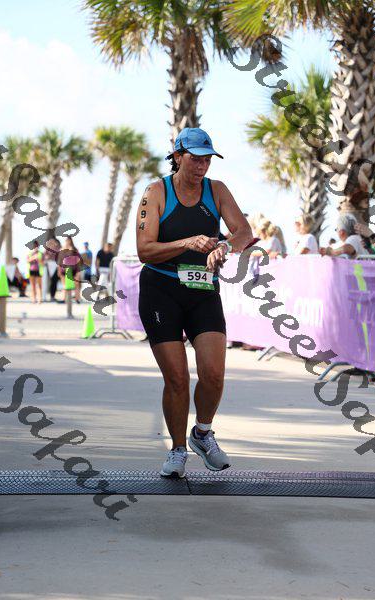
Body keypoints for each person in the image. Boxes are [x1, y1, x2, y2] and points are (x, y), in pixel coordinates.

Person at [136, 127, 253, 478]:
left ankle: (202, 433)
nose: (202, 166)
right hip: (161, 291)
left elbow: (244, 232)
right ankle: (176, 450)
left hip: (202, 291)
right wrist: (188, 243)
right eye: (195, 159)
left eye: (207, 160)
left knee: (214, 374)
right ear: (177, 157)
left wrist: (224, 246)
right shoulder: (155, 192)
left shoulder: (217, 190)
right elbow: (145, 249)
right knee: (176, 379)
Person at [58, 236, 82, 303]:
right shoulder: (62, 249)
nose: (68, 241)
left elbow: (78, 261)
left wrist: (78, 271)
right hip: (64, 269)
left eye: (69, 240)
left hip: (73, 269)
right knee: (64, 285)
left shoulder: (75, 249)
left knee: (76, 284)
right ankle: (64, 299)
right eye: (66, 240)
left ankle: (77, 298)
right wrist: (58, 270)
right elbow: (59, 261)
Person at [43, 237, 61, 301]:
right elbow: (44, 257)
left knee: (54, 281)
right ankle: (44, 297)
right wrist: (46, 258)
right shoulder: (47, 249)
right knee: (45, 281)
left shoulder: (58, 249)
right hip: (47, 265)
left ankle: (52, 296)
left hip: (56, 265)